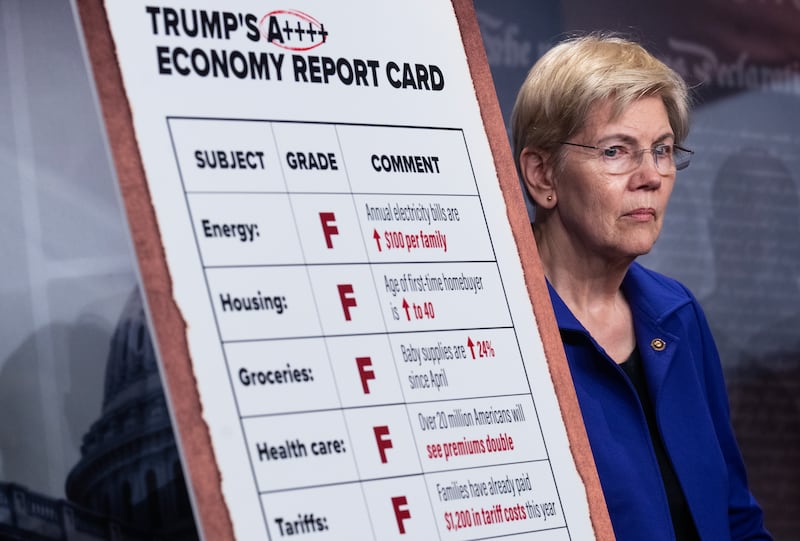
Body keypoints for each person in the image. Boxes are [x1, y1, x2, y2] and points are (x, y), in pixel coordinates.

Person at [511, 33, 772, 540]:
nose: (651, 176)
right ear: (543, 175)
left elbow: (735, 516)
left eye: (662, 151)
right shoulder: (499, 325)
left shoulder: (679, 314)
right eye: (616, 151)